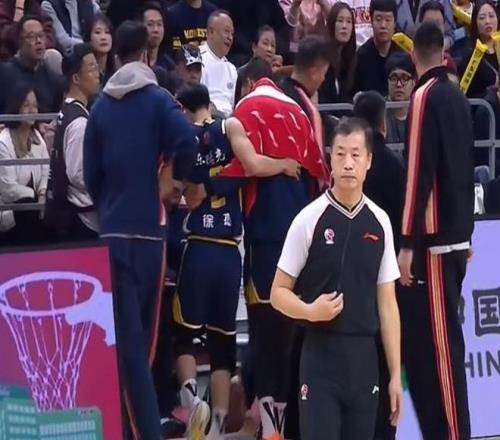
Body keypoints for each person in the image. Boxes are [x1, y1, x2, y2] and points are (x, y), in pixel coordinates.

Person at [83, 20, 198, 440]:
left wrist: (109, 203)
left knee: (127, 346)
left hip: (113, 233)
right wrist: (174, 181)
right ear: (147, 53)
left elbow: (90, 174)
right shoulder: (158, 100)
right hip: (150, 233)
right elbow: (189, 140)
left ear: (115, 55)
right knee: (142, 348)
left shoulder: (100, 107)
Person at [173, 83, 301, 440]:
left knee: (184, 336)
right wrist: (283, 164)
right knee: (222, 344)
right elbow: (252, 166)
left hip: (198, 245)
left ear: (183, 108)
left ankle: (191, 400)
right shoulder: (230, 127)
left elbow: (177, 190)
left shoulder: (182, 138)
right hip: (229, 251)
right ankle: (216, 425)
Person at [270, 117, 403, 440]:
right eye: (340, 154)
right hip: (320, 359)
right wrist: (309, 311)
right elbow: (277, 293)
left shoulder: (380, 221)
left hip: (364, 360)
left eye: (356, 155)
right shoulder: (309, 219)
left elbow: (388, 304)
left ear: (369, 161)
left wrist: (395, 375)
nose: (348, 163)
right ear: (330, 158)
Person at [225, 73, 329, 440]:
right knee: (289, 336)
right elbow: (320, 177)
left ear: (247, 85)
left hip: (265, 237)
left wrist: (279, 163)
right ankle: (275, 423)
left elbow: (250, 167)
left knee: (264, 333)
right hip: (302, 236)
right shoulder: (300, 115)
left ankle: (268, 426)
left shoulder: (242, 113)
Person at [398, 22, 474, 440]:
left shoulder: (425, 95)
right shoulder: (458, 96)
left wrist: (408, 241)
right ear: (442, 50)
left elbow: (418, 174)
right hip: (457, 236)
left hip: (435, 242)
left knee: (443, 353)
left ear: (414, 55)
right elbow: (464, 166)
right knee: (439, 350)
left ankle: (454, 434)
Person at [44, 43, 100, 241]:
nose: (98, 74)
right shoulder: (78, 122)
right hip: (80, 218)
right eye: (91, 68)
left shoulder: (67, 111)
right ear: (76, 78)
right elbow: (78, 174)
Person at [0, 83, 49, 246]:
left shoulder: (36, 136)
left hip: (34, 209)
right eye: (26, 105)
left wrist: (42, 192)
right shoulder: (3, 142)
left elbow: (45, 169)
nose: (32, 110)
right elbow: (8, 189)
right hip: (9, 212)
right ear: (16, 108)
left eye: (35, 105)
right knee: (27, 205)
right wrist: (34, 195)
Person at [0, 15, 64, 114]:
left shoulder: (52, 79)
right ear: (20, 41)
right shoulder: (4, 73)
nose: (38, 41)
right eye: (31, 36)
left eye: (41, 35)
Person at [354, 0, 399, 96]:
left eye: (388, 20)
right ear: (371, 21)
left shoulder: (401, 56)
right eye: (378, 19)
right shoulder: (360, 57)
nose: (383, 25)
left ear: (395, 23)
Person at [200, 9, 237, 117]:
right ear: (211, 32)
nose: (230, 37)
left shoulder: (232, 69)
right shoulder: (198, 59)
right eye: (226, 31)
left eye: (232, 33)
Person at [318, 2, 357, 105]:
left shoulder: (353, 59)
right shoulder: (321, 57)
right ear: (332, 24)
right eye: (340, 21)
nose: (344, 26)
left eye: (349, 22)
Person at [459, 0, 499, 98]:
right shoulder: (470, 55)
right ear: (475, 22)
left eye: (491, 16)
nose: (487, 21)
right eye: (482, 18)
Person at [385, 52, 415, 144]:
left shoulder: (421, 111)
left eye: (404, 78)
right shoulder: (379, 113)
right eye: (394, 78)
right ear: (387, 82)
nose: (399, 84)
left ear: (413, 83)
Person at [141, 2, 176, 71]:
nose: (155, 29)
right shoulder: (132, 62)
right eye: (150, 24)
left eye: (159, 24)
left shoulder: (170, 66)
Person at [84, 13, 115, 85]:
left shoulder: (118, 66)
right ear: (89, 38)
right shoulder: (84, 71)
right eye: (97, 32)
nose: (103, 37)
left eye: (107, 32)